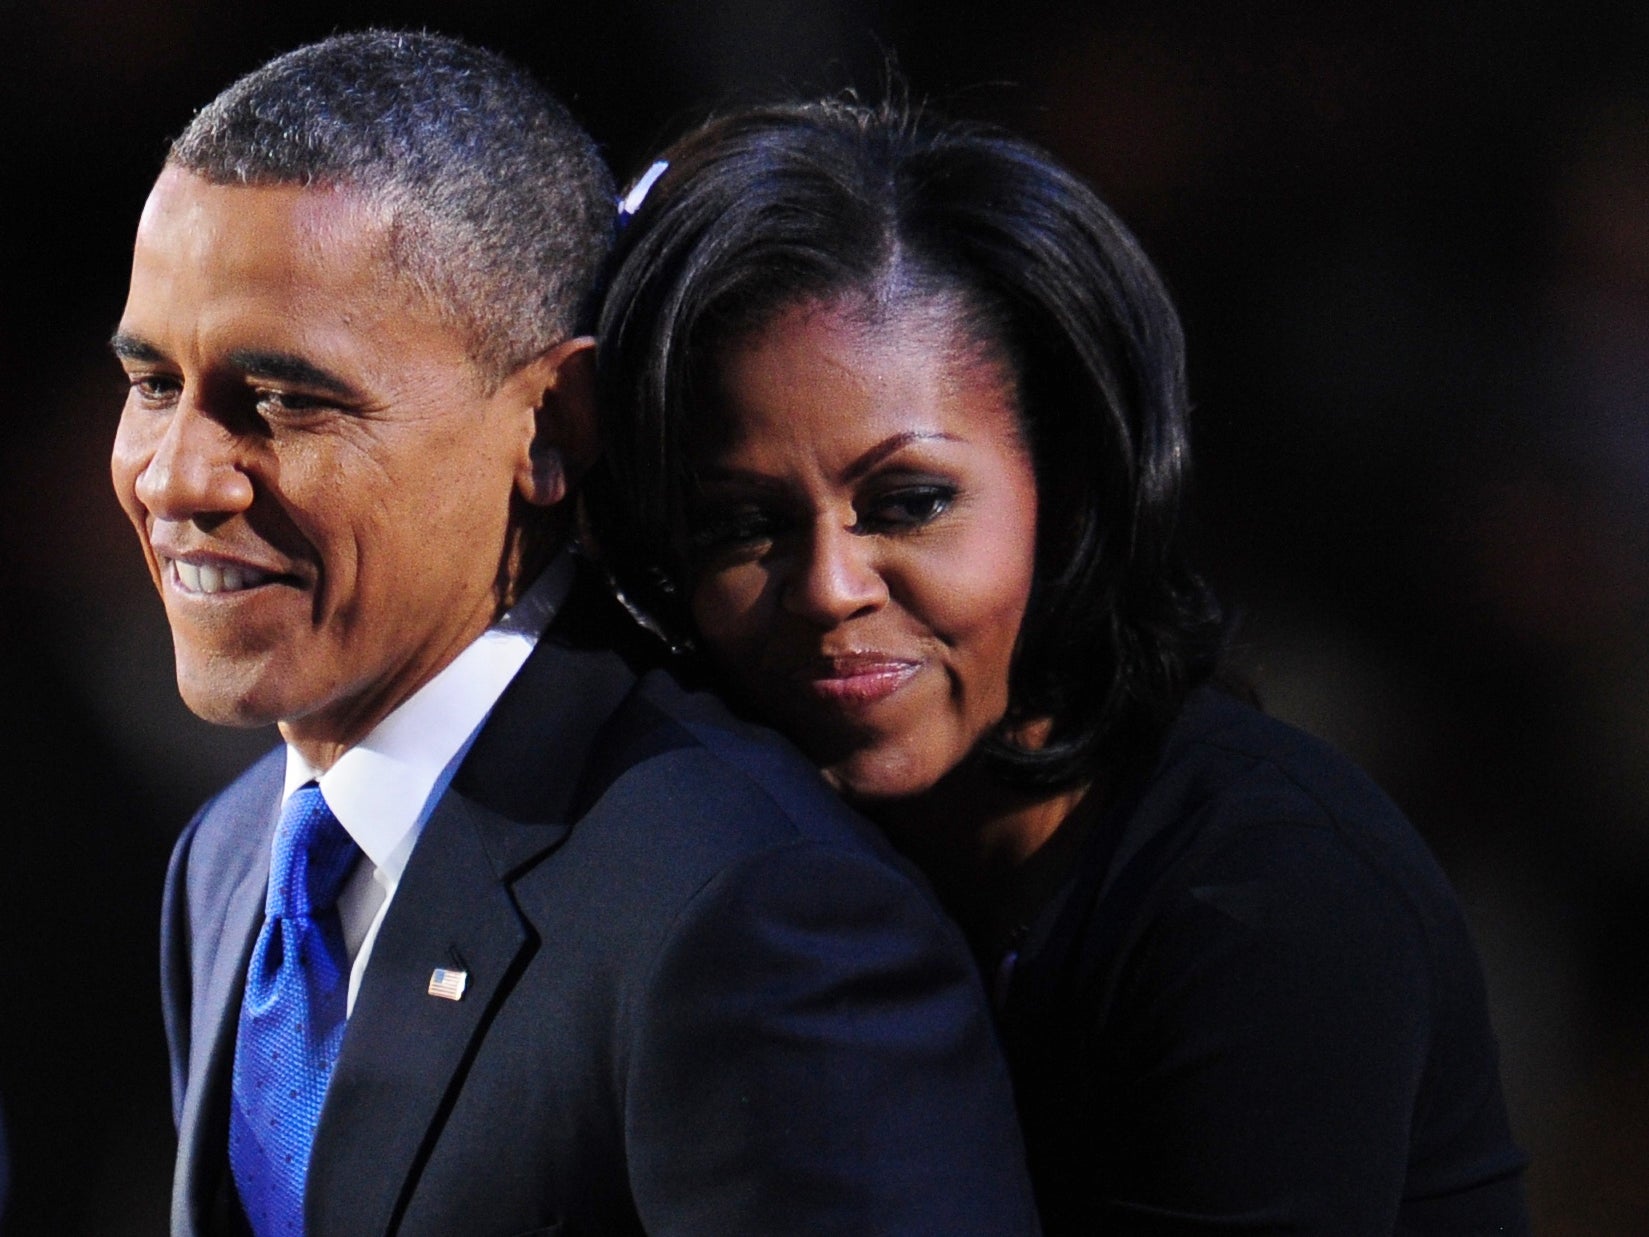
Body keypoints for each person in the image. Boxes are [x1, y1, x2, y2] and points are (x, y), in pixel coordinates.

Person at [110, 35, 1040, 1237]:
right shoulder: (233, 857)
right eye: (149, 384)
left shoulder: (755, 909)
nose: (177, 476)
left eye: (284, 399)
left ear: (550, 426)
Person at [589, 98, 1531, 1234]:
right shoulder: (739, 852)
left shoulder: (1265, 895)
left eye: (910, 502)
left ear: (1068, 491)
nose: (829, 586)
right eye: (743, 524)